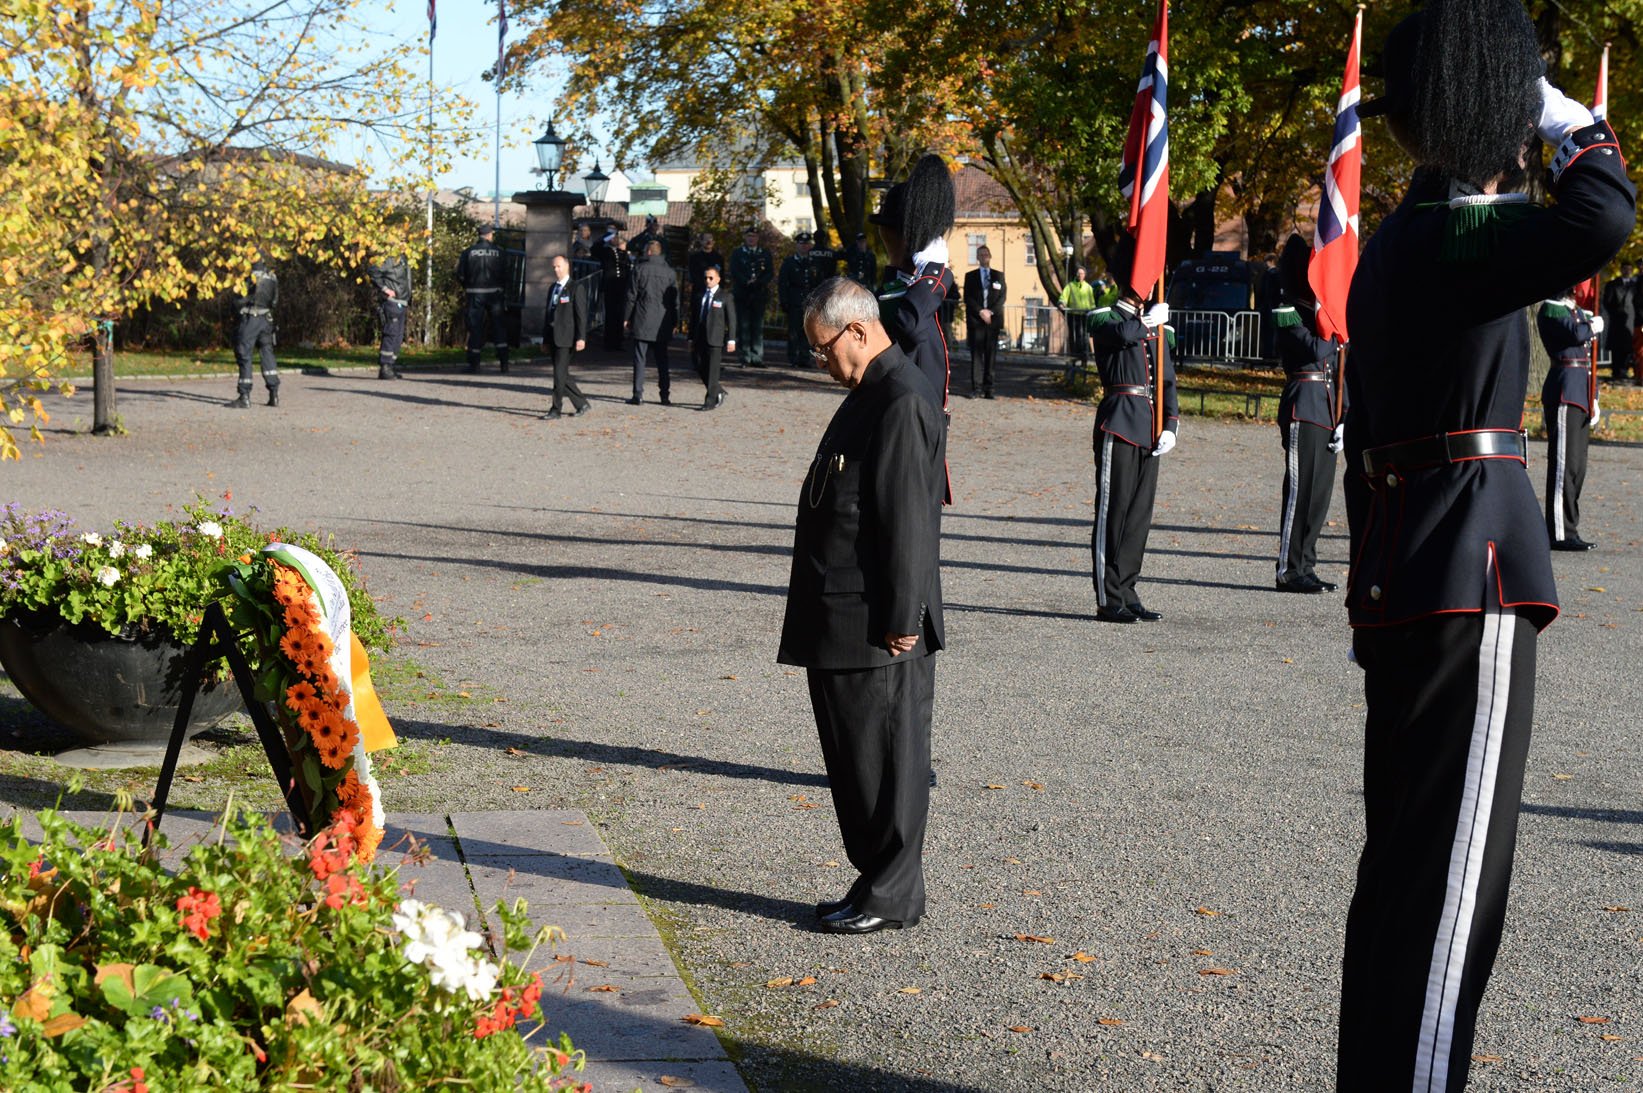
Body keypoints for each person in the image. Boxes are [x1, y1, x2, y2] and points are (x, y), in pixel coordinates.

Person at [1338, 4, 1633, 1090]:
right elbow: (1601, 215)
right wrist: (1557, 114)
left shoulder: (1400, 238)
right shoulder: (1455, 234)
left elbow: (1360, 437)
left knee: (1403, 874)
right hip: (1470, 567)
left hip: (1406, 562)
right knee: (1453, 889)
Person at [778, 277, 944, 935]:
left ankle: (893, 892)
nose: (820, 361)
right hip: (842, 614)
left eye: (823, 347)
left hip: (878, 619)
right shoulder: (867, 393)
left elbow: (906, 518)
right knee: (855, 759)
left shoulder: (899, 399)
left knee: (886, 757)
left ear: (857, 329)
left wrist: (904, 615)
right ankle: (874, 878)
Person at [1087, 236, 1177, 624]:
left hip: (1150, 425)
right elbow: (1120, 337)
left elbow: (1169, 381)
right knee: (1114, 511)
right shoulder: (1106, 317)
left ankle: (1128, 589)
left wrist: (1171, 423)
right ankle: (1109, 596)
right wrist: (1146, 323)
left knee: (1139, 515)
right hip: (1120, 421)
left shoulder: (1157, 328)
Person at [1271, 234, 1343, 593]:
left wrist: (1345, 414)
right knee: (1300, 492)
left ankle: (1306, 565)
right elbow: (1315, 350)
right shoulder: (1288, 313)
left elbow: (1341, 366)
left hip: (1327, 406)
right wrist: (1338, 329)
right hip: (1304, 403)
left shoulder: (1320, 316)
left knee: (1319, 496)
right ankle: (1289, 568)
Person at [1538, 291, 1603, 549]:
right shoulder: (1552, 309)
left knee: (1578, 468)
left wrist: (1594, 395)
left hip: (1582, 392)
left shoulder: (1576, 313)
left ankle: (1570, 529)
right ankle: (1559, 533)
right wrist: (1592, 326)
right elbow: (1576, 334)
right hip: (1565, 389)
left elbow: (1589, 357)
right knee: (1564, 466)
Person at [625, 239, 678, 405]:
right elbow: (674, 300)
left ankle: (638, 394)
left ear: (648, 252)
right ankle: (665, 395)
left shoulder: (639, 269)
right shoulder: (670, 272)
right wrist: (674, 321)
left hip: (642, 318)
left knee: (640, 358)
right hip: (662, 321)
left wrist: (627, 318)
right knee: (663, 360)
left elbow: (631, 297)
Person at [543, 254, 591, 420]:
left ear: (567, 266)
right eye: (554, 267)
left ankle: (556, 409)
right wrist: (544, 339)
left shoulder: (575, 288)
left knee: (559, 375)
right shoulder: (553, 288)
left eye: (559, 266)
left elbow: (581, 315)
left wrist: (581, 337)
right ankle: (582, 403)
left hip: (566, 337)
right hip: (552, 336)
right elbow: (548, 314)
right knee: (561, 373)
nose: (556, 270)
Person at [456, 223, 508, 373]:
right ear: (490, 235)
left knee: (475, 328)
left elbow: (460, 274)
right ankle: (504, 363)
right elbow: (506, 273)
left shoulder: (468, 252)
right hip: (495, 294)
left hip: (475, 293)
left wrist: (467, 287)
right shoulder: (499, 252)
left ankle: (474, 363)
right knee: (499, 327)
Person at [229, 257, 280, 408]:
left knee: (244, 355)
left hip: (250, 319)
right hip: (266, 320)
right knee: (268, 354)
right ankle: (274, 395)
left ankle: (244, 396)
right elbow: (275, 301)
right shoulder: (271, 276)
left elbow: (239, 301)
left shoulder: (247, 277)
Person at [779, 231, 830, 365]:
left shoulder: (814, 262)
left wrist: (819, 301)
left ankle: (804, 358)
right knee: (794, 331)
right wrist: (784, 301)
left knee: (807, 331)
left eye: (806, 244)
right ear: (797, 245)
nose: (804, 246)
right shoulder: (789, 262)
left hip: (810, 302)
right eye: (801, 244)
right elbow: (783, 283)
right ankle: (793, 357)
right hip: (794, 300)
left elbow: (820, 282)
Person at [689, 265, 736, 410]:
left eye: (711, 278)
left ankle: (710, 401)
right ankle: (718, 390)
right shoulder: (699, 296)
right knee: (698, 365)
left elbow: (732, 319)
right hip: (699, 336)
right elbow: (693, 318)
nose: (708, 280)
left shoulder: (725, 297)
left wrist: (731, 339)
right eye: (706, 278)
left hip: (715, 338)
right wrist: (690, 337)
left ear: (718, 279)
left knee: (713, 369)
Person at [963, 246, 1005, 399]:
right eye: (981, 254)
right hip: (976, 321)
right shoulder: (970, 276)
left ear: (990, 256)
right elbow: (967, 297)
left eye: (986, 254)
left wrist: (990, 312)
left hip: (993, 322)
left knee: (991, 356)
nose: (984, 256)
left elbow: (1002, 297)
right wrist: (981, 311)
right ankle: (976, 388)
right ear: (977, 258)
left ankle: (989, 389)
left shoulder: (998, 276)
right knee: (976, 357)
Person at [728, 227, 773, 367]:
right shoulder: (737, 253)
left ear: (758, 238)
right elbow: (734, 270)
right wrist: (745, 281)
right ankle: (745, 357)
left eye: (754, 236)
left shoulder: (765, 254)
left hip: (758, 293)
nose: (751, 238)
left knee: (757, 327)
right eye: (749, 235)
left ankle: (757, 357)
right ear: (745, 237)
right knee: (743, 325)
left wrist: (758, 282)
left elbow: (770, 272)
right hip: (743, 293)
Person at [367, 249, 411, 380]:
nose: (404, 244)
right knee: (391, 334)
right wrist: (385, 289)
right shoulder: (388, 258)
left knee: (398, 336)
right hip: (392, 302)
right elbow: (373, 271)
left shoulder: (403, 257)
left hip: (402, 301)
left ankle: (390, 365)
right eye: (402, 241)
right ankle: (385, 366)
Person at [593, 228, 631, 351]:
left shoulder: (622, 253)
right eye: (613, 238)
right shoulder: (605, 252)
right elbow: (594, 249)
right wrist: (605, 237)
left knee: (620, 314)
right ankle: (609, 342)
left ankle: (618, 341)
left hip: (621, 287)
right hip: (610, 287)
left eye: (616, 238)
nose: (615, 240)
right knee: (610, 315)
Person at [1601, 259, 1634, 380]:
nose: (1627, 271)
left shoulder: (1634, 286)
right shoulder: (1612, 284)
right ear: (1621, 270)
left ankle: (1624, 370)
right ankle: (1616, 371)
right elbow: (1607, 302)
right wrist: (1615, 313)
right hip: (1616, 320)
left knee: (1628, 347)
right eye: (1625, 269)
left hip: (1630, 320)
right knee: (1616, 346)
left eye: (1629, 269)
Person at [1059, 266, 1097, 367]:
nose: (1080, 275)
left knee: (1083, 335)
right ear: (1076, 274)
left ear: (1085, 275)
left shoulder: (1088, 287)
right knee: (1073, 335)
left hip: (1084, 315)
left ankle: (1083, 355)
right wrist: (1062, 303)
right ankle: (1074, 356)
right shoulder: (1070, 286)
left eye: (1082, 273)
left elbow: (1092, 302)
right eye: (1079, 273)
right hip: (1073, 315)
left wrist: (1092, 311)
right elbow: (1064, 297)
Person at [685, 232, 724, 319]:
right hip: (699, 294)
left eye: (711, 239)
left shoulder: (718, 258)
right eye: (706, 239)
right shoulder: (694, 258)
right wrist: (706, 287)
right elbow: (694, 276)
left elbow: (722, 277)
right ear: (701, 241)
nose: (709, 242)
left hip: (715, 296)